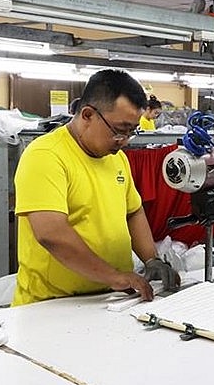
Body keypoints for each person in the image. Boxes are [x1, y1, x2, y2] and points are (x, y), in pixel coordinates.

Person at [12, 69, 179, 306]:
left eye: (132, 131)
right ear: (88, 115)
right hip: (52, 305)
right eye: (120, 130)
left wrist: (151, 259)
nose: (125, 140)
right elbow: (51, 233)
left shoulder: (116, 157)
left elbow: (133, 212)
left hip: (112, 299)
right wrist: (114, 276)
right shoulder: (45, 155)